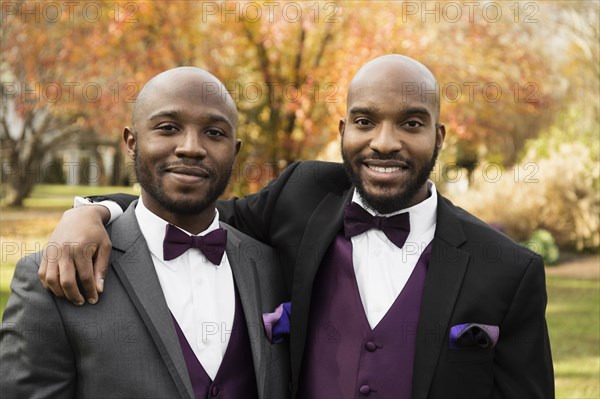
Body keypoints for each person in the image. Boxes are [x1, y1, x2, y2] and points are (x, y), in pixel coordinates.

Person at [36, 55, 554, 398]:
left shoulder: (507, 270)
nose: (385, 142)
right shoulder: (301, 196)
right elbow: (190, 210)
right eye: (366, 120)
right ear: (342, 130)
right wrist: (94, 210)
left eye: (411, 124)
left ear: (439, 136)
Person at [0, 67, 290, 399]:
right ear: (132, 143)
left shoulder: (269, 266)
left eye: (214, 132)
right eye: (168, 128)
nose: (191, 148)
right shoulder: (57, 271)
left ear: (235, 152)